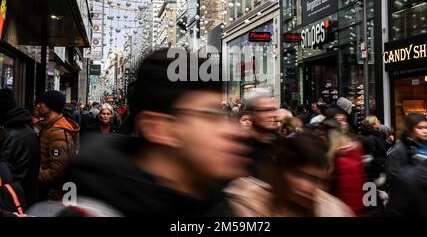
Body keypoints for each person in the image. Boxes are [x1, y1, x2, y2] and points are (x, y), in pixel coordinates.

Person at [58, 49, 253, 216]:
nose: (233, 130)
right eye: (212, 115)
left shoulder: (229, 203)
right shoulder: (91, 209)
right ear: (158, 127)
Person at [225, 133, 354, 217]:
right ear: (279, 171)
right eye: (298, 175)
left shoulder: (334, 211)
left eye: (315, 180)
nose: (306, 187)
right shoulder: (245, 204)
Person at [316, 118, 367, 217]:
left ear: (330, 136)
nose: (319, 139)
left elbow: (350, 199)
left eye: (321, 135)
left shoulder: (343, 161)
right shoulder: (343, 155)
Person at [386, 113, 427, 216]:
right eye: (420, 128)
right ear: (411, 129)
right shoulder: (399, 150)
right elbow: (394, 180)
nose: (425, 131)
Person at [37, 90, 80, 200]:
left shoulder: (57, 133)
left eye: (41, 103)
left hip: (53, 195)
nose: (38, 106)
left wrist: (35, 175)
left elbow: (57, 172)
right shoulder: (50, 127)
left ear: (50, 106)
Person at [0, 89, 40, 206]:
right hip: (27, 195)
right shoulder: (28, 129)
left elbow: (4, 170)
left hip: (14, 199)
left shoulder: (9, 134)